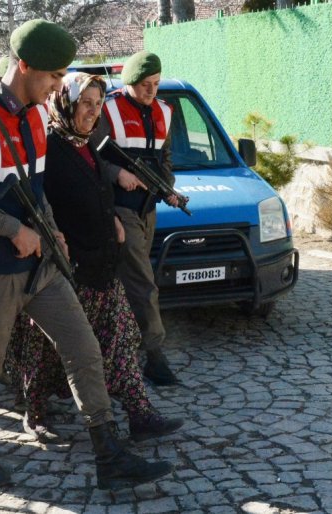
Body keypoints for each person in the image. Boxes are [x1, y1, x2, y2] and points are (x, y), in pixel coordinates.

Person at [0, 19, 172, 490]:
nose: (57, 86)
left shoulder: (35, 119)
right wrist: (14, 229)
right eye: (51, 76)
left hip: (41, 265)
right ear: (24, 67)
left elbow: (37, 187)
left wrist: (49, 228)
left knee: (84, 347)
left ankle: (108, 454)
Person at [6, 72, 184, 444]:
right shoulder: (49, 149)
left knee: (120, 338)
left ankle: (140, 414)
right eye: (85, 103)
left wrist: (116, 218)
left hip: (101, 266)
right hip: (63, 271)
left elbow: (100, 188)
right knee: (50, 350)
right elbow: (37, 201)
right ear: (66, 103)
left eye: (98, 104)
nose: (92, 111)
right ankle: (35, 412)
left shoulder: (88, 144)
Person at [94, 51, 180, 386]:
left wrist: (167, 188)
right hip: (120, 207)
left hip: (148, 207)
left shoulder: (165, 111)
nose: (151, 91)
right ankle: (155, 356)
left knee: (129, 280)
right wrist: (117, 173)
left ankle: (119, 346)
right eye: (145, 85)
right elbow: (90, 152)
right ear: (130, 82)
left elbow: (165, 158)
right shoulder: (109, 108)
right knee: (143, 282)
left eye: (156, 84)